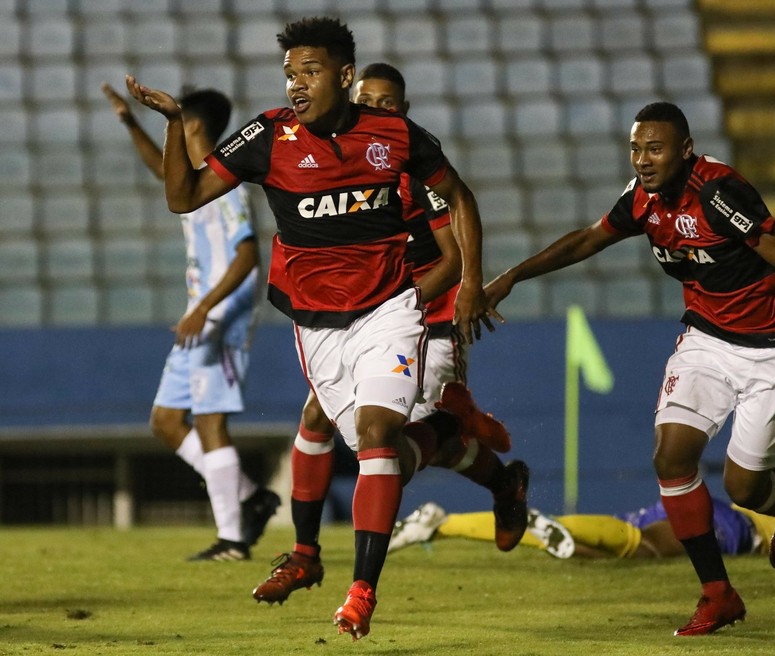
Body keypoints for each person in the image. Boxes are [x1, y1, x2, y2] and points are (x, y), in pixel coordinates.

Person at [124, 16, 516, 641]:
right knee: (358, 444)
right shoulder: (268, 136)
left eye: (309, 72)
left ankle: (361, 590)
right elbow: (185, 195)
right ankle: (443, 438)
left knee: (378, 434)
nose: (296, 85)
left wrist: (465, 280)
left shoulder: (394, 136)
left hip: (390, 308)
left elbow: (456, 196)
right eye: (289, 74)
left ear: (344, 74)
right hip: (319, 324)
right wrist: (174, 125)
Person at [483, 101, 775, 636]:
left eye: (654, 149)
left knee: (745, 487)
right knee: (671, 456)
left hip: (773, 348)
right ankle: (717, 594)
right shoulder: (642, 200)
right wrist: (513, 275)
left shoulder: (719, 195)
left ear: (685, 149)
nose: (642, 159)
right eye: (635, 148)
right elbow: (589, 238)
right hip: (706, 338)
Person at [251, 62, 528, 608]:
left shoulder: (415, 172)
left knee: (392, 456)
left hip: (428, 313)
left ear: (402, 112)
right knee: (330, 421)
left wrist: (398, 305)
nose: (376, 109)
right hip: (371, 316)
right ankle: (305, 553)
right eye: (367, 101)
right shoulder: (345, 163)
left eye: (387, 103)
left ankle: (481, 456)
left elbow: (451, 260)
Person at [101, 83, 281, 561]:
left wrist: (204, 308)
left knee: (209, 420)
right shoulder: (192, 180)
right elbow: (161, 169)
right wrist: (128, 122)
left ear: (193, 125)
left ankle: (232, 539)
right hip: (199, 315)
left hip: (221, 315)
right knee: (164, 421)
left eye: (174, 124)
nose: (169, 136)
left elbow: (248, 257)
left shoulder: (227, 189)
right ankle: (251, 496)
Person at [389, 461, 775, 559]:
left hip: (722, 516)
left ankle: (446, 522)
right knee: (642, 549)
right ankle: (552, 535)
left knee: (615, 542)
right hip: (730, 528)